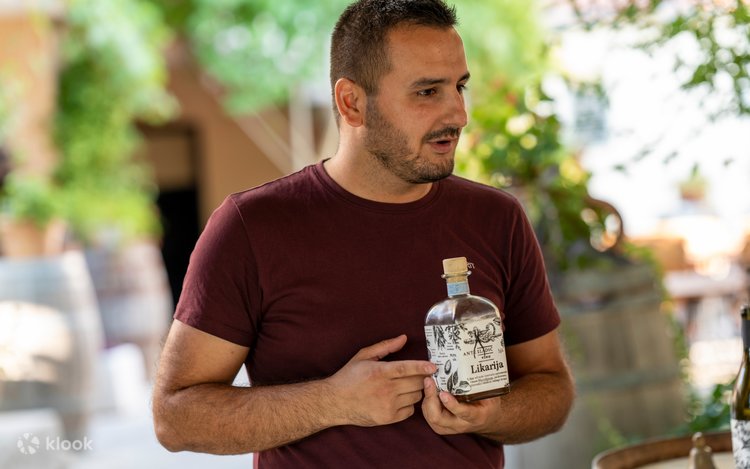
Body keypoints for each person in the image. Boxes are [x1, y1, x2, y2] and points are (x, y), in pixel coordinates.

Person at [152, 0, 575, 467]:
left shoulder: (497, 218)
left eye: (459, 87)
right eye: (427, 91)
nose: (458, 113)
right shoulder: (251, 228)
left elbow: (552, 391)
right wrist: (333, 402)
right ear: (351, 102)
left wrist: (493, 414)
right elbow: (175, 417)